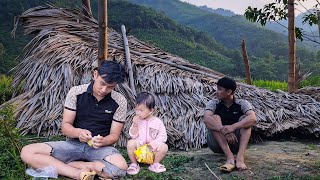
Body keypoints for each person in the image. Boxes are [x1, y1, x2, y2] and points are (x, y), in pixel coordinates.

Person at [20, 60, 128, 179]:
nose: (104, 90)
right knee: (27, 152)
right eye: (102, 83)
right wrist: (78, 133)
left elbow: (114, 135)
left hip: (101, 149)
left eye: (110, 87)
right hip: (73, 144)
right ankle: (77, 173)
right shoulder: (76, 92)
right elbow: (65, 126)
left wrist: (103, 141)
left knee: (122, 167)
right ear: (95, 74)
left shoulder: (120, 101)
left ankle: (77, 166)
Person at [203, 77, 257, 172]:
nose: (216, 92)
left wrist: (233, 127)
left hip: (235, 144)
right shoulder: (213, 103)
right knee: (215, 118)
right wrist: (225, 131)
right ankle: (229, 156)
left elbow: (253, 119)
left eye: (219, 89)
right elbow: (206, 119)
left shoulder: (242, 103)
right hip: (217, 145)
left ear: (228, 92)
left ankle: (240, 157)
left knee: (245, 120)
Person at [126, 92, 168, 175]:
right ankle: (134, 164)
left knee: (164, 147)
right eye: (136, 109)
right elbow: (132, 135)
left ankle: (155, 164)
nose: (138, 113)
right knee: (130, 143)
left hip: (152, 152)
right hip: (139, 152)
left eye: (141, 110)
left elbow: (163, 137)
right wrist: (135, 125)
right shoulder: (137, 121)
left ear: (151, 110)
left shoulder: (157, 122)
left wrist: (153, 144)